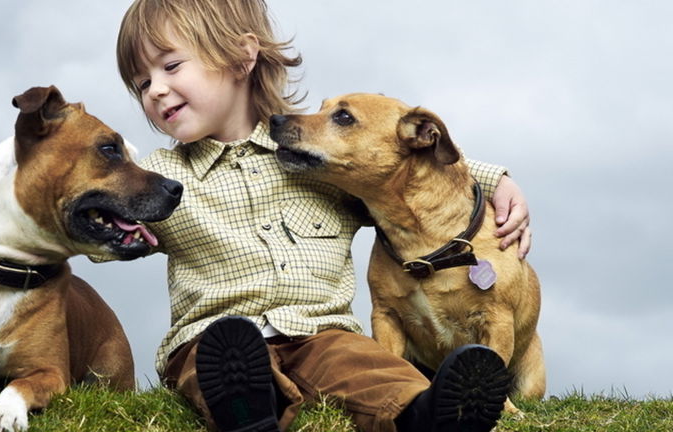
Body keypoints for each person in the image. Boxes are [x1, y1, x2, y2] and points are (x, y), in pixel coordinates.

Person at [110, 1, 532, 431]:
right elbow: (95, 218)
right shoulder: (158, 178)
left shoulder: (324, 162)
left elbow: (403, 172)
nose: (155, 90)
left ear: (242, 57)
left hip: (321, 334)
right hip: (217, 338)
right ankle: (248, 413)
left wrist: (495, 179)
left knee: (370, 369)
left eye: (171, 66)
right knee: (213, 363)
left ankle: (424, 414)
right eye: (143, 83)